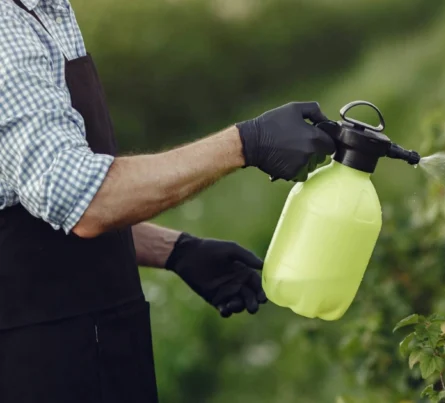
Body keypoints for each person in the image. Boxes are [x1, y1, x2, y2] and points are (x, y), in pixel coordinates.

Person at [0, 0, 337, 401]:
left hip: (97, 348)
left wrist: (176, 250)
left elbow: (37, 203)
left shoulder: (47, 11)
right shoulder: (6, 28)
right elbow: (88, 199)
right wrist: (245, 143)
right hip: (40, 367)